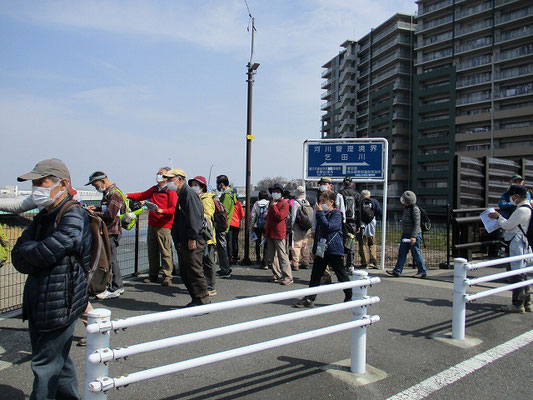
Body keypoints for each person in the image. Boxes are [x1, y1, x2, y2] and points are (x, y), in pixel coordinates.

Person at [11, 159, 90, 400]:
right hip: (41, 300)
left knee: (45, 366)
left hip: (60, 303)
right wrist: (34, 252)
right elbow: (19, 256)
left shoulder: (73, 213)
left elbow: (48, 251)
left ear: (63, 184)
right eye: (34, 184)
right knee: (59, 362)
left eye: (40, 183)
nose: (36, 189)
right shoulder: (44, 215)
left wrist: (32, 251)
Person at [294, 190, 352, 308]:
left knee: (341, 274)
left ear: (331, 202)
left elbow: (328, 227)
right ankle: (309, 298)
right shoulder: (323, 214)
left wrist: (319, 213)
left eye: (323, 201)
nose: (321, 204)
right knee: (316, 274)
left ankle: (350, 296)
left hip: (334, 249)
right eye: (319, 201)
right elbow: (319, 233)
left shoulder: (337, 214)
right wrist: (315, 250)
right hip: (322, 249)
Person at [165, 168, 209, 306]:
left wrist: (192, 238)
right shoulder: (183, 193)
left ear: (179, 179)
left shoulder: (188, 194)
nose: (167, 182)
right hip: (185, 239)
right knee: (185, 271)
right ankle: (196, 299)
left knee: (194, 270)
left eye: (170, 179)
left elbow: (194, 218)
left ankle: (202, 301)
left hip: (192, 239)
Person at [127, 167, 177, 286]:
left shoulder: (171, 191)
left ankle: (167, 276)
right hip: (152, 224)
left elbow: (172, 209)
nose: (159, 176)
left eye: (162, 174)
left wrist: (162, 211)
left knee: (165, 251)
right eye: (158, 174)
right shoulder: (154, 189)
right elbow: (142, 195)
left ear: (167, 177)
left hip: (164, 225)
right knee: (152, 251)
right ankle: (153, 275)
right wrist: (127, 195)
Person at [488, 184, 532, 313]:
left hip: (517, 243)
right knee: (522, 274)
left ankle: (517, 304)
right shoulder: (527, 207)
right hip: (522, 243)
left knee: (517, 274)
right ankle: (527, 302)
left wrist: (498, 217)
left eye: (512, 196)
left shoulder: (521, 210)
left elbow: (507, 225)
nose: (511, 199)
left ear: (517, 196)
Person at [86, 171, 126, 299]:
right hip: (109, 231)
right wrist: (97, 209)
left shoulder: (114, 194)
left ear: (103, 181)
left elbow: (110, 214)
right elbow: (106, 210)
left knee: (112, 259)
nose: (96, 187)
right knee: (110, 259)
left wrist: (92, 214)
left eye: (95, 184)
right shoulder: (108, 193)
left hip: (112, 231)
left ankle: (117, 286)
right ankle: (114, 285)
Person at [386, 191, 427, 278]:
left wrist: (413, 236)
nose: (402, 200)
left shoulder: (415, 209)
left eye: (404, 199)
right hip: (406, 234)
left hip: (413, 235)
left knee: (416, 253)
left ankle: (422, 271)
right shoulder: (406, 208)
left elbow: (417, 224)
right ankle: (397, 270)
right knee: (402, 252)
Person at [189, 175, 218, 297]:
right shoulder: (197, 197)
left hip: (206, 235)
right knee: (201, 261)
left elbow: (208, 214)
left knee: (208, 261)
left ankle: (210, 286)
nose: (194, 187)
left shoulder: (206, 199)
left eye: (196, 185)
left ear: (202, 187)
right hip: (200, 234)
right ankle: (204, 285)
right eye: (193, 185)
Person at [264, 183, 293, 285]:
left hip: (279, 233)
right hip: (270, 232)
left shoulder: (284, 204)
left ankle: (288, 276)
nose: (275, 193)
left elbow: (280, 216)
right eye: (274, 191)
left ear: (281, 193)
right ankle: (277, 274)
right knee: (271, 256)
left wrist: (274, 207)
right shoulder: (271, 203)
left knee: (282, 255)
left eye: (278, 192)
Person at [215, 174, 236, 278]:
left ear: (222, 184)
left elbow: (224, 211)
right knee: (223, 247)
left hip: (222, 225)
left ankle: (225, 269)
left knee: (222, 248)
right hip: (225, 224)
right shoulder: (231, 193)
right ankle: (226, 267)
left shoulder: (227, 195)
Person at [339, 177, 361, 270]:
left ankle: (339, 263)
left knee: (341, 242)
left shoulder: (340, 194)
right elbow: (359, 211)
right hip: (353, 222)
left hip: (341, 222)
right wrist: (359, 225)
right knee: (351, 242)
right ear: (351, 184)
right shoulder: (357, 194)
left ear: (343, 184)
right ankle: (350, 264)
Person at [359, 190, 383, 269]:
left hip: (362, 225)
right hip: (372, 224)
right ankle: (373, 261)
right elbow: (380, 211)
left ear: (362, 195)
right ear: (370, 195)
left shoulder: (360, 201)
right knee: (372, 243)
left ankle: (364, 262)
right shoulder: (374, 201)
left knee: (363, 244)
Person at [290, 186, 312, 271]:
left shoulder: (296, 203)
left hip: (298, 227)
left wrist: (291, 226)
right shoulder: (307, 202)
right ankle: (306, 262)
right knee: (305, 245)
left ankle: (295, 264)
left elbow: (294, 216)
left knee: (297, 246)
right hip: (307, 228)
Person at [251, 190, 269, 269]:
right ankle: (266, 259)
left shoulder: (256, 203)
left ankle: (258, 258)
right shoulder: (269, 203)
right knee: (266, 242)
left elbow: (253, 215)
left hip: (257, 225)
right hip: (266, 225)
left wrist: (252, 224)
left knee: (257, 242)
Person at [228, 198, 244, 264]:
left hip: (229, 223)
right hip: (237, 224)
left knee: (229, 241)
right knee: (235, 241)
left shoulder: (229, 203)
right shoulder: (238, 204)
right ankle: (235, 257)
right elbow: (242, 215)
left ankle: (229, 257)